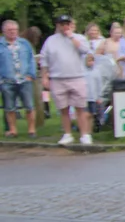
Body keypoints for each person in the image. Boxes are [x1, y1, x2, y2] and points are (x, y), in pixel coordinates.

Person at [37, 15, 98, 146]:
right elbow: (44, 59)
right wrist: (45, 76)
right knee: (63, 108)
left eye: (67, 24)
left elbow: (85, 50)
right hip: (58, 78)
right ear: (58, 25)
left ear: (71, 24)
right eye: (62, 24)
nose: (64, 26)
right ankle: (67, 134)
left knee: (80, 107)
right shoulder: (51, 40)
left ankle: (85, 135)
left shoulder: (79, 38)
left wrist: (71, 36)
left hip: (76, 76)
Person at [2, 20, 38, 138]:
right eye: (9, 30)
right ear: (4, 31)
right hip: (7, 81)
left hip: (24, 80)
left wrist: (31, 75)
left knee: (29, 106)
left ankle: (31, 130)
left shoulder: (24, 43)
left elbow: (31, 59)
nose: (12, 32)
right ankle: (13, 130)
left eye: (14, 30)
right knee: (9, 107)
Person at [24, 26, 47, 119]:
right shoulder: (26, 45)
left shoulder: (29, 45)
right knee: (34, 96)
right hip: (28, 75)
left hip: (36, 74)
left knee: (43, 92)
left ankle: (45, 109)